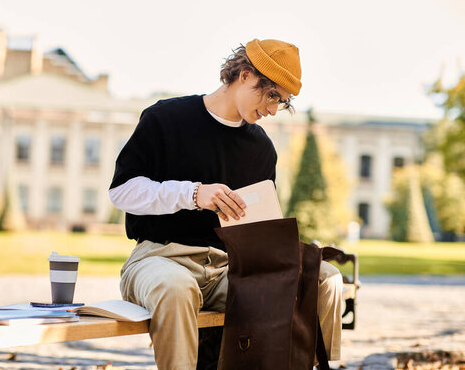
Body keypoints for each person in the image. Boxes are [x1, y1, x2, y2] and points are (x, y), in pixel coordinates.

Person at [109, 38, 343, 369]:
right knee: (177, 288)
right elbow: (121, 191)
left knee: (324, 278)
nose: (274, 109)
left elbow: (257, 230)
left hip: (230, 269)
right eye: (272, 95)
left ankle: (316, 365)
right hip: (160, 260)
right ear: (245, 75)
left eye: (283, 102)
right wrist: (192, 194)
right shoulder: (166, 118)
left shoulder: (262, 148)